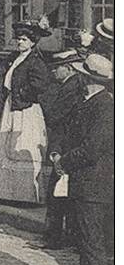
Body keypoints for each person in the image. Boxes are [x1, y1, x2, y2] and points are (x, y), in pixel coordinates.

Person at [52, 54, 113, 265]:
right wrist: (58, 153)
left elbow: (91, 150)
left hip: (95, 183)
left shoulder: (105, 107)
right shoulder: (86, 102)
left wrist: (63, 162)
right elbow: (69, 134)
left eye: (83, 77)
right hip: (83, 181)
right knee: (82, 239)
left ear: (90, 79)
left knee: (93, 242)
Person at [0, 18, 53, 204]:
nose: (19, 42)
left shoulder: (35, 60)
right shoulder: (16, 58)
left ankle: (25, 195)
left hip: (26, 110)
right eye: (18, 39)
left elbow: (41, 84)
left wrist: (21, 92)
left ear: (32, 41)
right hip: (12, 106)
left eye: (23, 39)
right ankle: (7, 192)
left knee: (23, 145)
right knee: (7, 146)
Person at [40, 49, 86, 250]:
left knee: (57, 192)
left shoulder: (70, 89)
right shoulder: (73, 85)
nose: (53, 73)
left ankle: (55, 237)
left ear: (67, 69)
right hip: (67, 144)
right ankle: (64, 236)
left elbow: (53, 115)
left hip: (65, 146)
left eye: (56, 69)